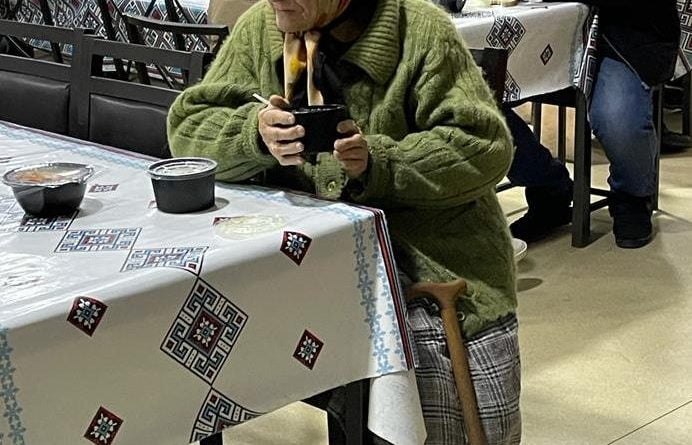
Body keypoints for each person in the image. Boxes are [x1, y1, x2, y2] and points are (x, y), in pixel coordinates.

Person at [168, 0, 521, 443]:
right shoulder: (261, 28)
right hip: (300, 271)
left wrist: (380, 163)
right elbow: (189, 128)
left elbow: (485, 147)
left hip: (423, 258)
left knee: (430, 394)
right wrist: (253, 135)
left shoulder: (420, 30)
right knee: (186, 337)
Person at [510, 0, 681, 248]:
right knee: (476, 98)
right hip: (543, 28)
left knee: (616, 118)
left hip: (624, 39)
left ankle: (631, 196)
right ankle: (548, 186)